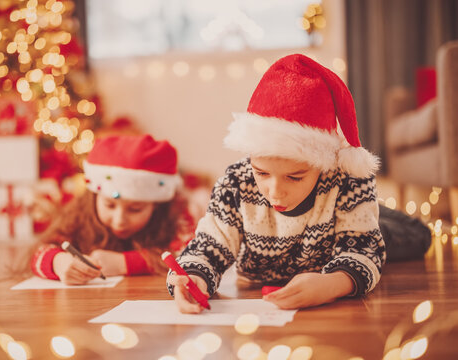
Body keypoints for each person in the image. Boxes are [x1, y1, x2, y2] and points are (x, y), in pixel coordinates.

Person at [167, 54, 389, 313]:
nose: (275, 193)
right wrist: (194, 277)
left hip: (351, 230)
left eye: (295, 177)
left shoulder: (349, 180)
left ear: (323, 164)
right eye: (261, 173)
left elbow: (365, 249)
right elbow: (210, 244)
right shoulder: (235, 182)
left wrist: (332, 284)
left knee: (405, 235)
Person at [31, 134, 195, 285]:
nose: (119, 220)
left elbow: (192, 252)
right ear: (94, 197)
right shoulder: (79, 215)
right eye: (109, 205)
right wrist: (58, 262)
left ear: (157, 206)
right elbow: (38, 252)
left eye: (135, 209)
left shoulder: (175, 216)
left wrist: (124, 263)